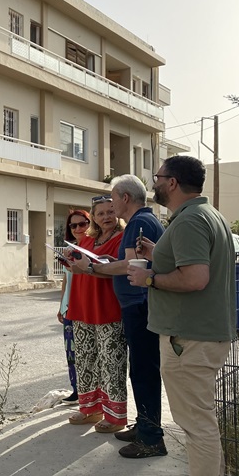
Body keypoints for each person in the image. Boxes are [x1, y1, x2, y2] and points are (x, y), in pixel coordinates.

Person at [128, 156, 235, 476]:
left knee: (196, 422)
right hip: (199, 335)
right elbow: (190, 264)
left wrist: (149, 280)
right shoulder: (207, 215)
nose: (153, 183)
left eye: (157, 177)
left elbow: (195, 278)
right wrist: (156, 256)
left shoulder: (189, 220)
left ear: (171, 183)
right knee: (201, 417)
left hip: (188, 338)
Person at [72, 174, 167, 458]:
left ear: (125, 198)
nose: (111, 207)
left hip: (139, 305)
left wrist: (92, 268)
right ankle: (145, 426)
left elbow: (129, 265)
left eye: (113, 199)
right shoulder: (143, 221)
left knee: (144, 372)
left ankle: (151, 437)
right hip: (138, 305)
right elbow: (130, 262)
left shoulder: (138, 222)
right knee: (139, 370)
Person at [65, 195, 127, 433]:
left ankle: (115, 416)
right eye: (100, 213)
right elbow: (82, 268)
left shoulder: (122, 239)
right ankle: (90, 408)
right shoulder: (89, 239)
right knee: (85, 359)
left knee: (111, 363)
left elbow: (118, 268)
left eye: (110, 212)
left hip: (107, 307)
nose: (106, 217)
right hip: (82, 306)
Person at [56, 208, 91, 404]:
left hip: (85, 307)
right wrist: (62, 306)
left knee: (86, 352)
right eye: (73, 225)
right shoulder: (70, 250)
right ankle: (77, 390)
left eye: (82, 224)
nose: (78, 228)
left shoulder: (91, 249)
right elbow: (66, 280)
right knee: (71, 351)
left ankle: (90, 394)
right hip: (69, 307)